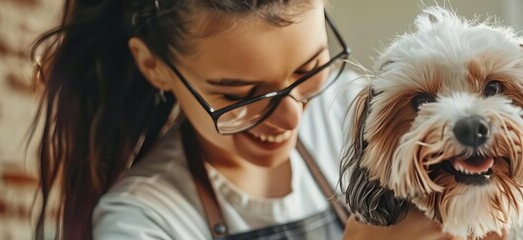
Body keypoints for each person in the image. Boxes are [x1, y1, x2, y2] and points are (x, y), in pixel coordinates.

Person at [28, 0, 477, 239]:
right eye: (240, 95)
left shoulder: (359, 113)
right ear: (154, 66)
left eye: (309, 70)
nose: (290, 115)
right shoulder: (144, 220)